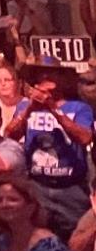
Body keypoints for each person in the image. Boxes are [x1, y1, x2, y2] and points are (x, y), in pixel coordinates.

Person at [5, 69, 95, 238]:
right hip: (37, 186)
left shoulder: (79, 107)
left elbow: (85, 137)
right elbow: (9, 134)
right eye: (42, 74)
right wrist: (30, 108)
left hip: (71, 190)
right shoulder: (25, 106)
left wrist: (53, 108)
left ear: (61, 79)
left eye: (51, 74)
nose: (45, 78)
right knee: (38, 237)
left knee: (74, 240)